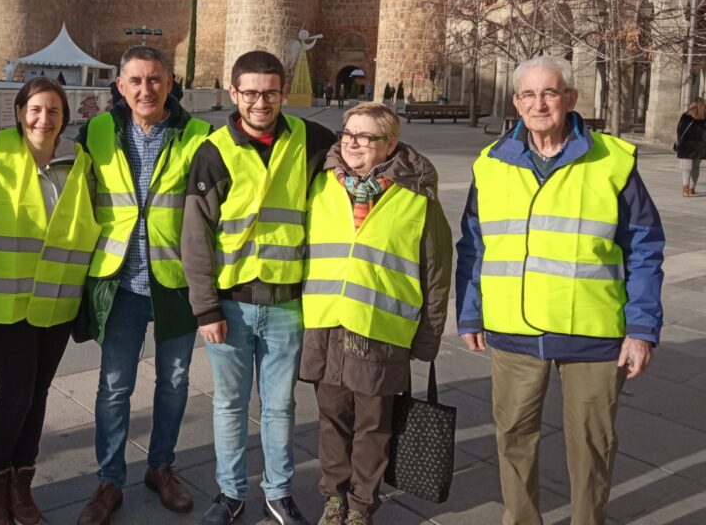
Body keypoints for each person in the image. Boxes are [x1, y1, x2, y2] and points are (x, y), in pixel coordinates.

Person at [456, 55, 665, 525]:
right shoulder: (490, 164)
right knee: (512, 437)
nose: (539, 103)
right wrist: (471, 313)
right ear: (516, 102)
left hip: (592, 330)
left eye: (550, 92)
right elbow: (473, 245)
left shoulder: (612, 159)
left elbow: (645, 247)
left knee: (592, 443)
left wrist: (642, 328)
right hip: (513, 327)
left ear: (570, 99)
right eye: (528, 94)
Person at [183, 50, 336, 525]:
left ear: (283, 92)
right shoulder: (213, 151)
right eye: (249, 92)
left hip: (288, 303)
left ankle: (279, 492)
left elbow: (369, 151)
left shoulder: (313, 140)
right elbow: (196, 236)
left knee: (280, 406)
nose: (260, 102)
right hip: (230, 307)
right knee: (229, 405)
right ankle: (230, 494)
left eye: (270, 92)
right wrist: (205, 309)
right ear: (233, 93)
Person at [74, 46, 211, 525]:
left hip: (174, 281)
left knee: (174, 382)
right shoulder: (96, 132)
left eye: (155, 80)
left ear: (170, 83)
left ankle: (161, 466)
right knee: (114, 386)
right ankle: (109, 479)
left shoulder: (198, 134)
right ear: (120, 86)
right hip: (119, 281)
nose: (145, 89)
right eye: (135, 81)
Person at [300, 102, 452, 525]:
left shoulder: (417, 197)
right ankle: (334, 495)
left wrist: (429, 336)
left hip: (381, 330)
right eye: (348, 134)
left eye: (365, 137)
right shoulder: (320, 185)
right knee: (332, 419)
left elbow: (437, 271)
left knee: (372, 424)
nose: (352, 143)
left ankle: (362, 503)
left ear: (391, 144)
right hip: (326, 323)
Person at [0, 78, 99, 525]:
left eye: (54, 111)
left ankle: (23, 482)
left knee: (38, 393)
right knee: (16, 392)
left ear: (66, 117)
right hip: (5, 303)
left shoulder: (78, 163)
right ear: (20, 111)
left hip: (56, 303)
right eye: (36, 110)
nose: (44, 119)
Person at [675, 96, 706, 196]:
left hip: (687, 146)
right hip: (700, 147)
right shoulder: (704, 116)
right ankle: (692, 188)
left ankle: (685, 188)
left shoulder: (686, 116)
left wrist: (679, 140)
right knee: (696, 168)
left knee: (686, 168)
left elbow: (679, 129)